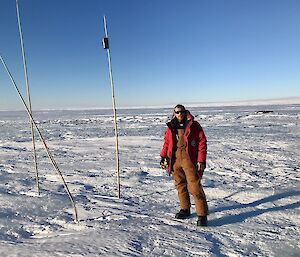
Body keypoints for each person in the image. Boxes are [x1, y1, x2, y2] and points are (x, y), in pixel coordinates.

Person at [160, 104, 209, 226]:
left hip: (189, 160)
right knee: (180, 185)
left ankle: (202, 215)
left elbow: (202, 142)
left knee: (194, 186)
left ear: (185, 112)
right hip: (175, 159)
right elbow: (167, 143)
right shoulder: (171, 127)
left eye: (181, 112)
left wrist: (201, 160)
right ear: (174, 113)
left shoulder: (194, 125)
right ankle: (185, 209)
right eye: (177, 112)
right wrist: (163, 157)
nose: (179, 114)